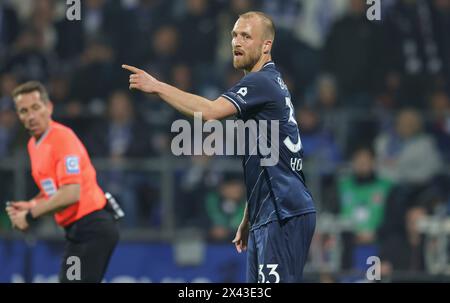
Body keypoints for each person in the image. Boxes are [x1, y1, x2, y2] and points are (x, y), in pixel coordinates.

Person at [122, 11, 316, 282]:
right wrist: (251, 214)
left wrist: (157, 87)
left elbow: (211, 111)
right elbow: (268, 159)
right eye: (234, 35)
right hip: (270, 211)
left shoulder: (261, 82)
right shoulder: (270, 85)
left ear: (266, 46)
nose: (236, 41)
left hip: (282, 212)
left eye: (246, 36)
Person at [5, 81, 120, 283]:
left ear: (49, 107)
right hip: (78, 231)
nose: (31, 116)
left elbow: (70, 193)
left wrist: (31, 215)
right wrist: (32, 203)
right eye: (23, 111)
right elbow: (54, 189)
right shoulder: (34, 144)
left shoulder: (62, 139)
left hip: (92, 227)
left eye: (35, 107)